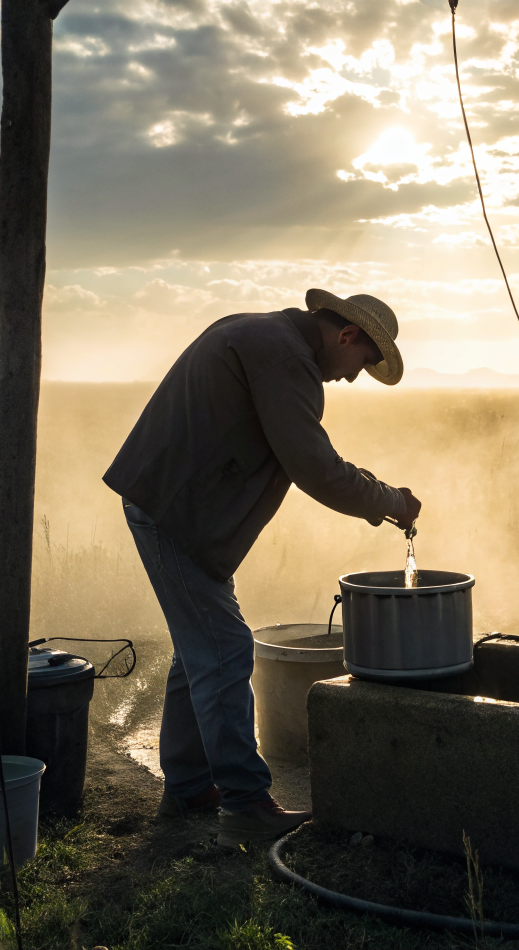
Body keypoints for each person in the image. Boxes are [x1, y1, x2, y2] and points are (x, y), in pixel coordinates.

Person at [103, 288, 422, 846]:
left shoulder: (265, 336)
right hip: (173, 511)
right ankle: (246, 805)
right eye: (363, 363)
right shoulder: (283, 357)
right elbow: (316, 468)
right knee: (225, 648)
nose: (352, 378)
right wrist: (390, 500)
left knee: (199, 649)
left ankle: (187, 785)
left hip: (181, 509)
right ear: (347, 335)